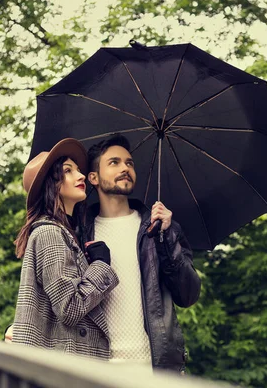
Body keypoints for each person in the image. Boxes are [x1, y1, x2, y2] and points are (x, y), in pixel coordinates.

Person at [83, 134, 201, 374]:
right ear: (93, 177)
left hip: (154, 369)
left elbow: (188, 294)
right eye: (114, 162)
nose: (125, 168)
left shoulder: (158, 228)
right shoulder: (81, 231)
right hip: (96, 369)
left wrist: (166, 237)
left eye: (129, 163)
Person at [12, 138, 119, 358]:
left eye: (78, 170)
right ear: (51, 184)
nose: (81, 176)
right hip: (65, 364)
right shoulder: (50, 233)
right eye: (68, 171)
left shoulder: (63, 232)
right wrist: (100, 266)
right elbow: (69, 308)